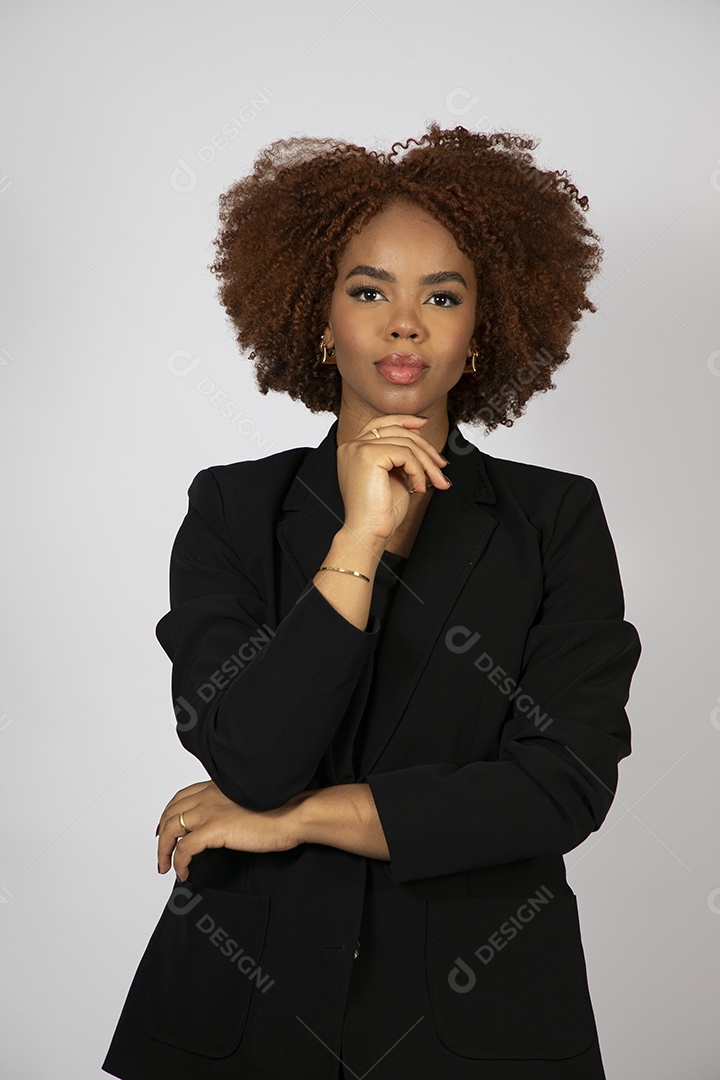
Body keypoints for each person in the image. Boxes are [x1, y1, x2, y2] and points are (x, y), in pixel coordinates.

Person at [102, 123, 641, 1080]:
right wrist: (356, 536)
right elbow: (251, 755)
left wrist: (296, 821)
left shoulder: (557, 518)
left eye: (443, 294)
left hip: (481, 1036)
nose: (405, 323)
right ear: (319, 320)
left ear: (481, 334)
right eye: (368, 291)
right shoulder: (231, 506)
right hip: (239, 1025)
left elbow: (561, 786)